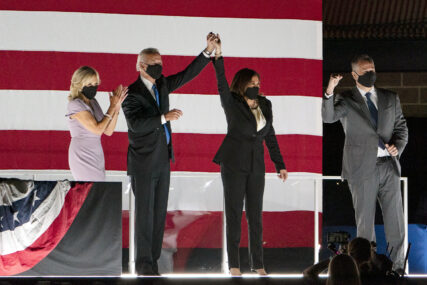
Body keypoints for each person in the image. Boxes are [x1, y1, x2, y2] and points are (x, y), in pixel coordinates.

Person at [122, 33, 217, 276]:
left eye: (161, 62)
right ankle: (142, 265)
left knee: (158, 215)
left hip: (163, 160)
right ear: (141, 65)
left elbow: (186, 75)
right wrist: (164, 117)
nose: (159, 66)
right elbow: (136, 125)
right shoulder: (131, 93)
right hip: (142, 163)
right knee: (144, 217)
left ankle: (152, 262)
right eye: (154, 63)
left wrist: (206, 52)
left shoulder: (162, 84)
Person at [322, 54, 408, 272]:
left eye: (372, 69)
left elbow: (401, 129)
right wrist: (329, 90)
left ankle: (398, 269)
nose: (371, 74)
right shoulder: (346, 99)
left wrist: (397, 145)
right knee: (365, 224)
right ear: (354, 74)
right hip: (361, 169)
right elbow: (328, 117)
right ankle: (366, 268)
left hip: (389, 166)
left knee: (396, 222)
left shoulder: (390, 98)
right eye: (365, 71)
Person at [211, 35, 288, 276]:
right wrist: (219, 56)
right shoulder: (231, 102)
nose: (257, 84)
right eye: (252, 82)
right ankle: (234, 265)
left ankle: (258, 264)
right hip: (233, 163)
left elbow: (270, 135)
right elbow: (222, 82)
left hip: (257, 165)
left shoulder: (265, 104)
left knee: (255, 217)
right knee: (234, 215)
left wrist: (280, 164)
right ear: (243, 84)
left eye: (259, 81)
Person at [66, 66, 128, 181]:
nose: (93, 88)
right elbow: (97, 129)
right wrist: (112, 106)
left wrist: (117, 108)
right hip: (82, 154)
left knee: (98, 189)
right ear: (79, 85)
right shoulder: (75, 104)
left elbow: (108, 131)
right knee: (89, 190)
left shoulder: (93, 102)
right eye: (89, 85)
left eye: (95, 84)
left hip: (96, 154)